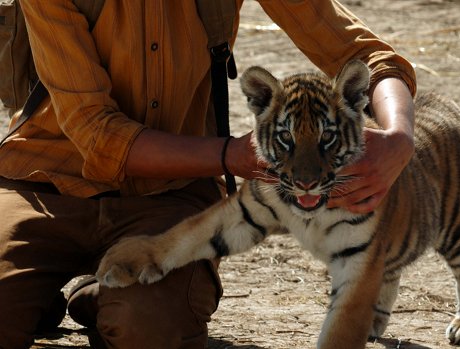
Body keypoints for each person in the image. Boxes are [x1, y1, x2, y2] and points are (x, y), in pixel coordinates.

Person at [0, 0, 416, 348]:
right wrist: (231, 154)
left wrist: (398, 137)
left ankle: (96, 295)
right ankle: (36, 294)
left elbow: (367, 55)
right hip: (42, 183)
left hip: (171, 194)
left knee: (147, 331)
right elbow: (95, 132)